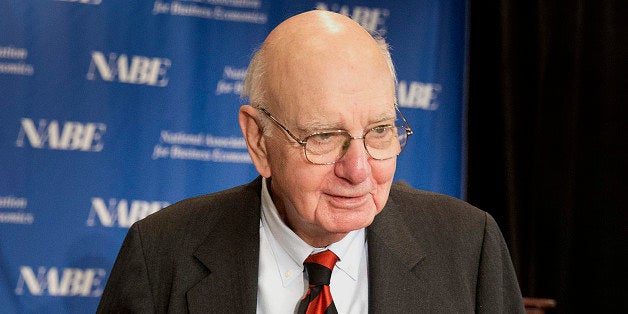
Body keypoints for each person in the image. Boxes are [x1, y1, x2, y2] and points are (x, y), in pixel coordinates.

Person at [97, 10, 524, 313]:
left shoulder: (470, 248)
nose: (358, 170)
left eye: (378, 131)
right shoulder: (160, 256)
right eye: (323, 137)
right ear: (258, 140)